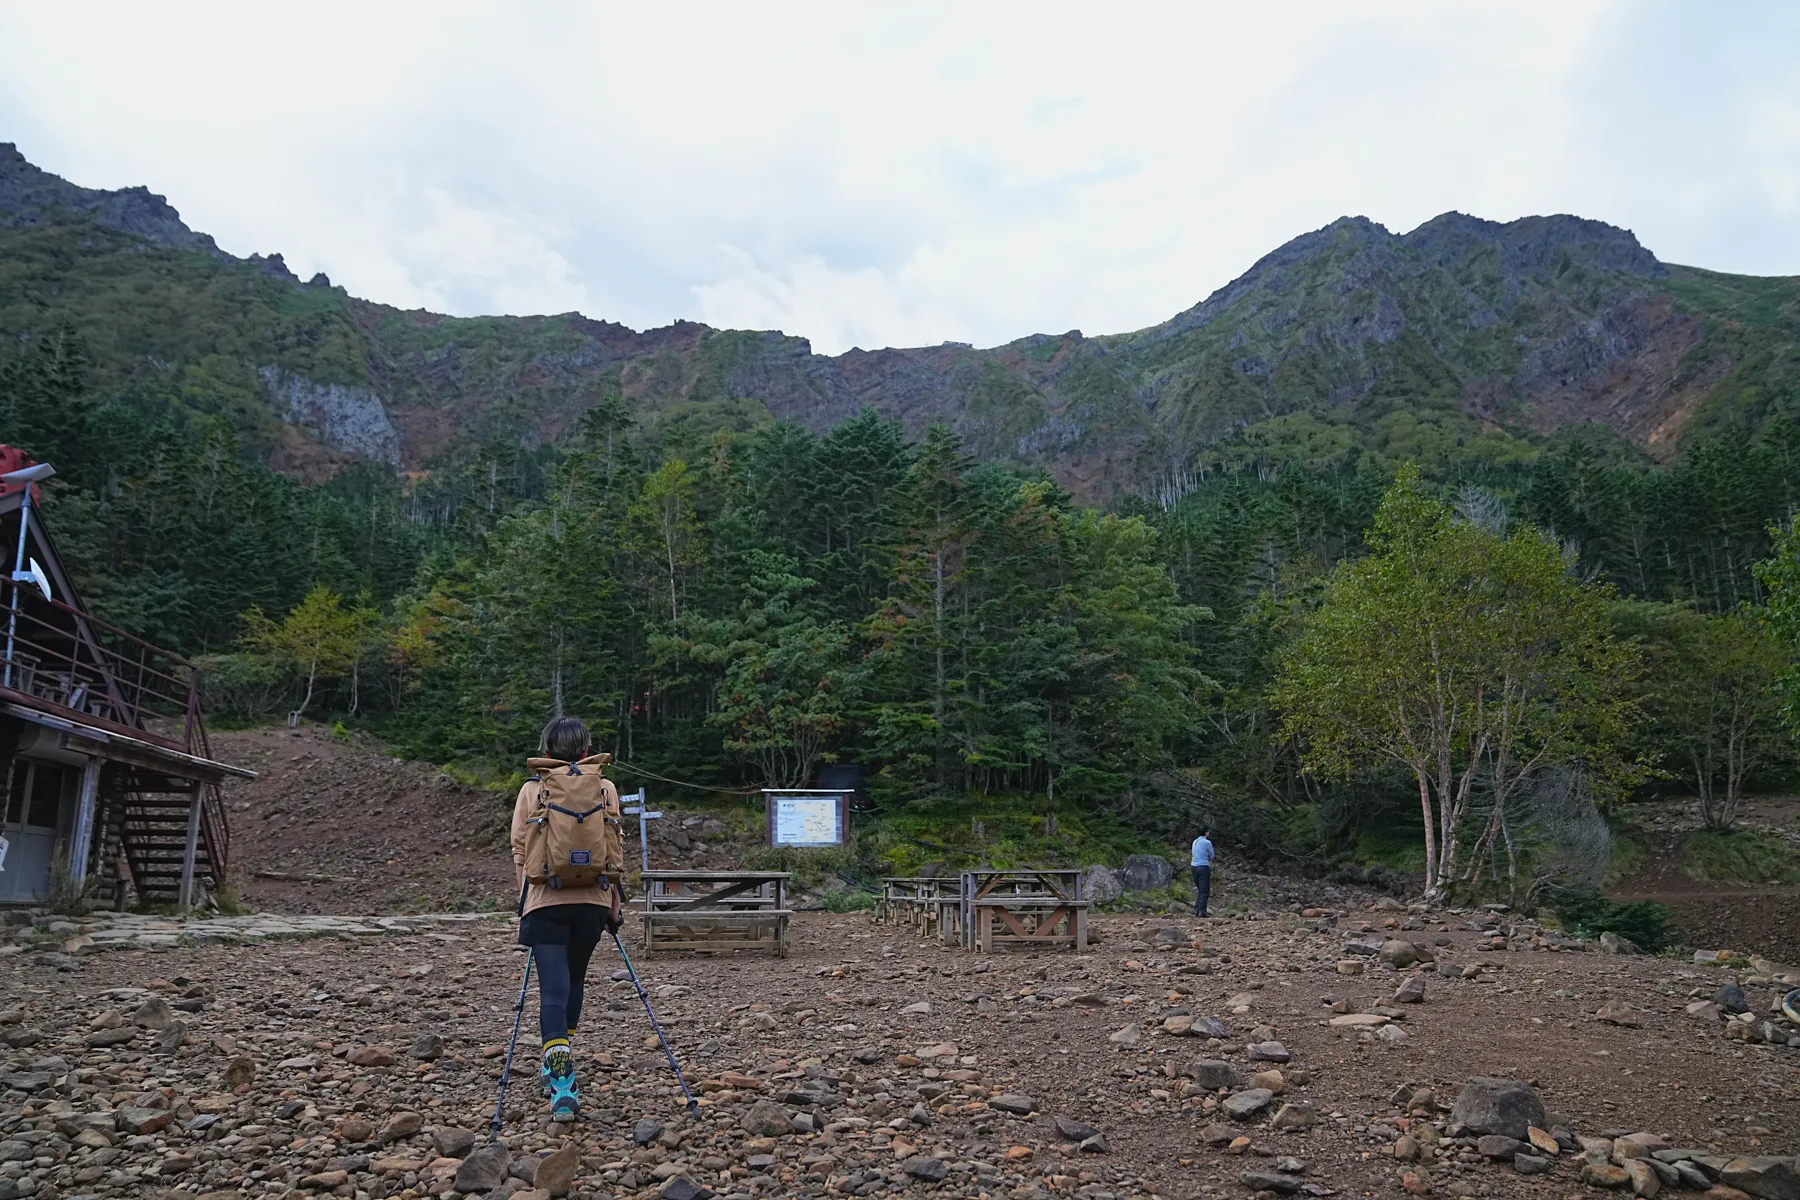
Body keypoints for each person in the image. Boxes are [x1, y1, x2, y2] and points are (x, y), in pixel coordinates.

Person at [511, 716, 624, 1122]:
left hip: (546, 899)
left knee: (552, 990)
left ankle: (560, 1078)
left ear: (545, 750)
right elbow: (614, 849)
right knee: (575, 980)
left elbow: (521, 852)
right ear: (585, 749)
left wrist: (526, 900)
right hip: (592, 900)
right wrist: (613, 905)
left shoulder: (532, 789)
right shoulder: (604, 787)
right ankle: (560, 1052)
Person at [1190, 826, 1214, 917]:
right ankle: (1202, 911)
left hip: (1194, 866)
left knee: (1200, 889)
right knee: (1204, 891)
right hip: (1203, 866)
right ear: (1206, 833)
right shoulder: (1207, 843)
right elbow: (1212, 856)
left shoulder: (1194, 842)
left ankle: (1196, 909)